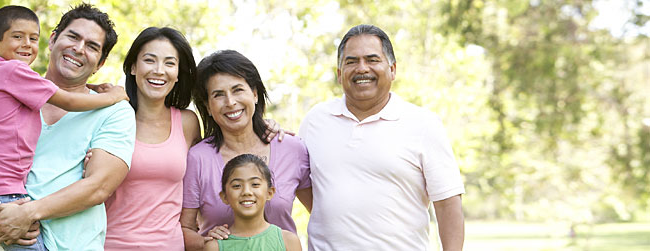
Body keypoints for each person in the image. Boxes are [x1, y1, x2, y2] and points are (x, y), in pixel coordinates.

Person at [0, 3, 135, 250]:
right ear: (53, 39)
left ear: (100, 62)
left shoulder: (114, 111)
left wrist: (27, 214)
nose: (78, 48)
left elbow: (98, 187)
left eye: (92, 46)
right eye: (73, 37)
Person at [299, 24, 465, 250]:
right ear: (339, 74)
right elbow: (299, 182)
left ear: (393, 69)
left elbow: (448, 204)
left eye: (372, 59)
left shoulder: (423, 124)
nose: (362, 68)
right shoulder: (315, 120)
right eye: (351, 61)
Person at [181, 50, 312, 251]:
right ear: (207, 106)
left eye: (237, 90)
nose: (230, 102)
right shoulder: (198, 158)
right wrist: (208, 242)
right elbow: (184, 228)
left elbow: (319, 213)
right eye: (218, 95)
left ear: (255, 94)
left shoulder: (292, 149)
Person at [102, 27, 201, 250]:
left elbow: (214, 162)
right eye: (149, 60)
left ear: (177, 74)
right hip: (112, 244)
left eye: (169, 63)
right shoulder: (110, 118)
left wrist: (267, 128)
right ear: (134, 67)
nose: (159, 71)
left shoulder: (188, 123)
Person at [202, 154, 302, 251]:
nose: (246, 192)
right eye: (237, 186)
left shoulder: (288, 241)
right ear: (224, 197)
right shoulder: (215, 246)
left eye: (255, 184)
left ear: (269, 193)